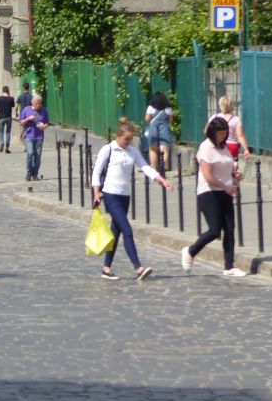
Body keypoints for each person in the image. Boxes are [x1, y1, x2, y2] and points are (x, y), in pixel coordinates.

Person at [91, 119, 174, 280]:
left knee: (115, 232)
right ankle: (138, 267)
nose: (128, 142)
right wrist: (96, 193)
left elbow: (144, 167)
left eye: (131, 139)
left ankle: (106, 268)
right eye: (126, 139)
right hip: (110, 194)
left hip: (125, 196)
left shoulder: (132, 151)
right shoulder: (108, 149)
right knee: (127, 230)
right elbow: (96, 172)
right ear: (118, 136)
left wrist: (161, 180)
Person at [183, 116, 247, 277]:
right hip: (208, 192)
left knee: (230, 228)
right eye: (220, 133)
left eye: (225, 133)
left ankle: (229, 266)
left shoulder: (223, 147)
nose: (223, 136)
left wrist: (235, 173)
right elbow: (208, 175)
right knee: (214, 230)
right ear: (213, 132)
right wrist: (226, 186)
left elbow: (227, 164)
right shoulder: (206, 148)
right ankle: (190, 251)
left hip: (224, 192)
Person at [210, 96, 252, 163]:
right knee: (233, 168)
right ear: (231, 105)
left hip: (217, 145)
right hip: (232, 146)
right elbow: (240, 135)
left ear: (220, 105)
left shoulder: (214, 117)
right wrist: (246, 149)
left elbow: (206, 131)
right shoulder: (236, 119)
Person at [19, 95, 49, 181]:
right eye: (37, 103)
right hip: (29, 135)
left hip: (39, 136)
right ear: (32, 102)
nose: (38, 105)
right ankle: (29, 172)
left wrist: (44, 126)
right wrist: (28, 119)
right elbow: (21, 122)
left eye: (39, 104)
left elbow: (47, 122)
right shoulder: (26, 109)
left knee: (38, 156)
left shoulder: (44, 110)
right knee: (30, 153)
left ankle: (35, 174)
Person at [145, 91, 174, 176]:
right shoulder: (168, 109)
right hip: (164, 129)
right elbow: (170, 120)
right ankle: (162, 167)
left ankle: (154, 168)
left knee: (152, 148)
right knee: (165, 149)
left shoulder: (150, 108)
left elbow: (147, 119)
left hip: (153, 129)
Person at [0, 86, 15, 153]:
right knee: (8, 132)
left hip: (1, 118)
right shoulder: (11, 98)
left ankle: (2, 142)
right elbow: (13, 105)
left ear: (2, 91)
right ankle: (7, 148)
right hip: (8, 117)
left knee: (1, 132)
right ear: (8, 91)